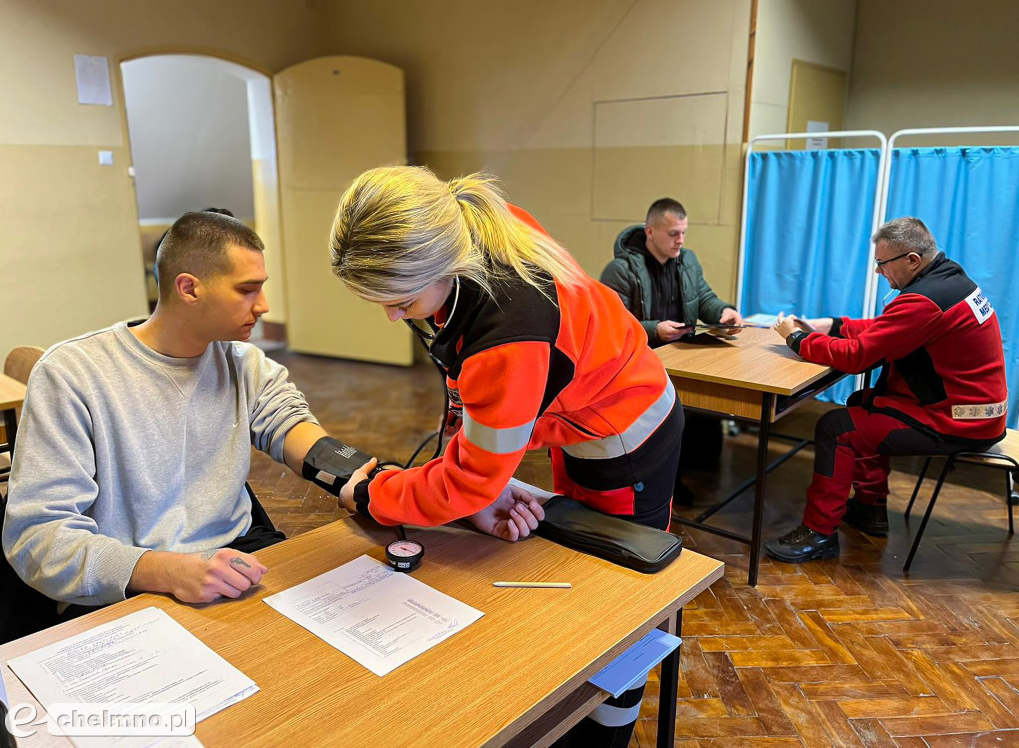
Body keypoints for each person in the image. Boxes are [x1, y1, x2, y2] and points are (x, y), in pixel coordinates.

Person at [0, 210, 535, 642]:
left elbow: (319, 453)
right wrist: (164, 570)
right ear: (189, 288)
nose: (265, 304)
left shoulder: (245, 365)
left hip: (232, 565)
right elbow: (38, 540)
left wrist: (452, 495)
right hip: (128, 590)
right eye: (247, 289)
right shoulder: (73, 375)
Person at [329, 166, 685, 748]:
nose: (392, 317)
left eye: (401, 300)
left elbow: (468, 476)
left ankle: (608, 732)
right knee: (578, 561)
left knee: (619, 597)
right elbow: (472, 418)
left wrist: (374, 492)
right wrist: (483, 480)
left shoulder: (508, 331)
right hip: (583, 413)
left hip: (627, 435)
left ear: (440, 265)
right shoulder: (475, 226)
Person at [765, 217, 1008, 563]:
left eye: (882, 263)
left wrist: (798, 339)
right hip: (974, 411)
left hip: (960, 422)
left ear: (911, 259)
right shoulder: (948, 278)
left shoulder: (925, 300)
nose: (879, 272)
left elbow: (859, 356)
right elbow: (891, 329)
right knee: (862, 402)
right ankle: (869, 508)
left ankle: (818, 534)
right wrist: (832, 325)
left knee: (836, 428)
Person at [600, 198, 745, 504]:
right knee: (672, 419)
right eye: (673, 234)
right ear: (650, 231)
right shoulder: (620, 270)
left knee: (708, 413)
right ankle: (669, 485)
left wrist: (724, 312)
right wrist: (655, 330)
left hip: (683, 355)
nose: (680, 240)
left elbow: (704, 297)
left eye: (683, 233)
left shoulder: (687, 260)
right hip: (641, 362)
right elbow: (613, 326)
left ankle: (694, 469)